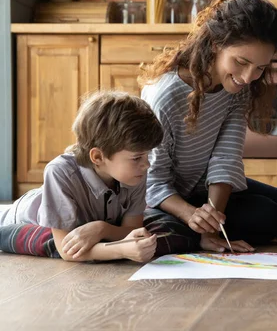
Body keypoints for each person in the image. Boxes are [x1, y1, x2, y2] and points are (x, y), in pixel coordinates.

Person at [139, 0, 277, 255]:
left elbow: (226, 158)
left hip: (204, 188)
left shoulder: (237, 88)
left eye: (260, 67)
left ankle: (193, 232)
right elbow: (152, 181)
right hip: (168, 199)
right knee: (269, 218)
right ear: (214, 44)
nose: (248, 77)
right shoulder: (165, 95)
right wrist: (193, 216)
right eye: (241, 62)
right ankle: (178, 229)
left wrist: (212, 219)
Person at [0, 91, 164, 262]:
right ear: (98, 157)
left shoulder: (134, 172)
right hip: (20, 216)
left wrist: (102, 229)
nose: (147, 164)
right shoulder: (60, 172)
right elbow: (66, 250)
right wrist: (120, 250)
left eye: (147, 155)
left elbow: (132, 229)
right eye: (137, 157)